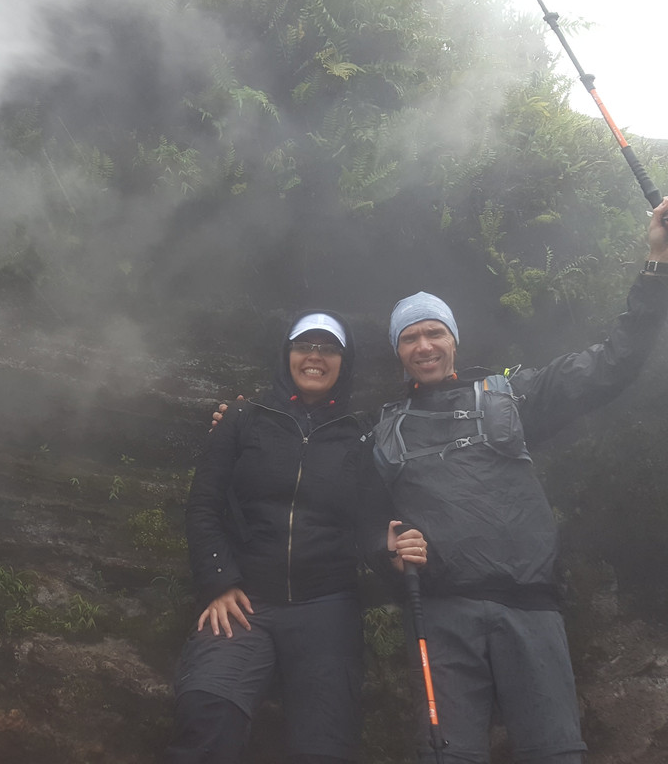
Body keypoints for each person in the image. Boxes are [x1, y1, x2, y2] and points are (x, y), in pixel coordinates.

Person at [374, 196, 668, 764]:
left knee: (553, 754)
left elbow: (613, 363)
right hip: (440, 612)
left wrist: (657, 263)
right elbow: (339, 502)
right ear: (397, 352)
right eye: (410, 338)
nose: (424, 345)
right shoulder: (384, 430)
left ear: (454, 340)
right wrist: (378, 546)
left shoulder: (511, 395)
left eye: (435, 332)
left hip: (531, 609)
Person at [166, 309, 425, 764]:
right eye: (305, 346)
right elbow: (204, 504)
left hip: (326, 607)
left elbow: (367, 523)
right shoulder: (243, 418)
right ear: (286, 354)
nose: (315, 357)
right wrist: (219, 581)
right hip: (247, 599)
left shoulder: (361, 435)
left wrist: (387, 552)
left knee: (325, 742)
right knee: (208, 711)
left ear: (344, 363)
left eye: (329, 349)